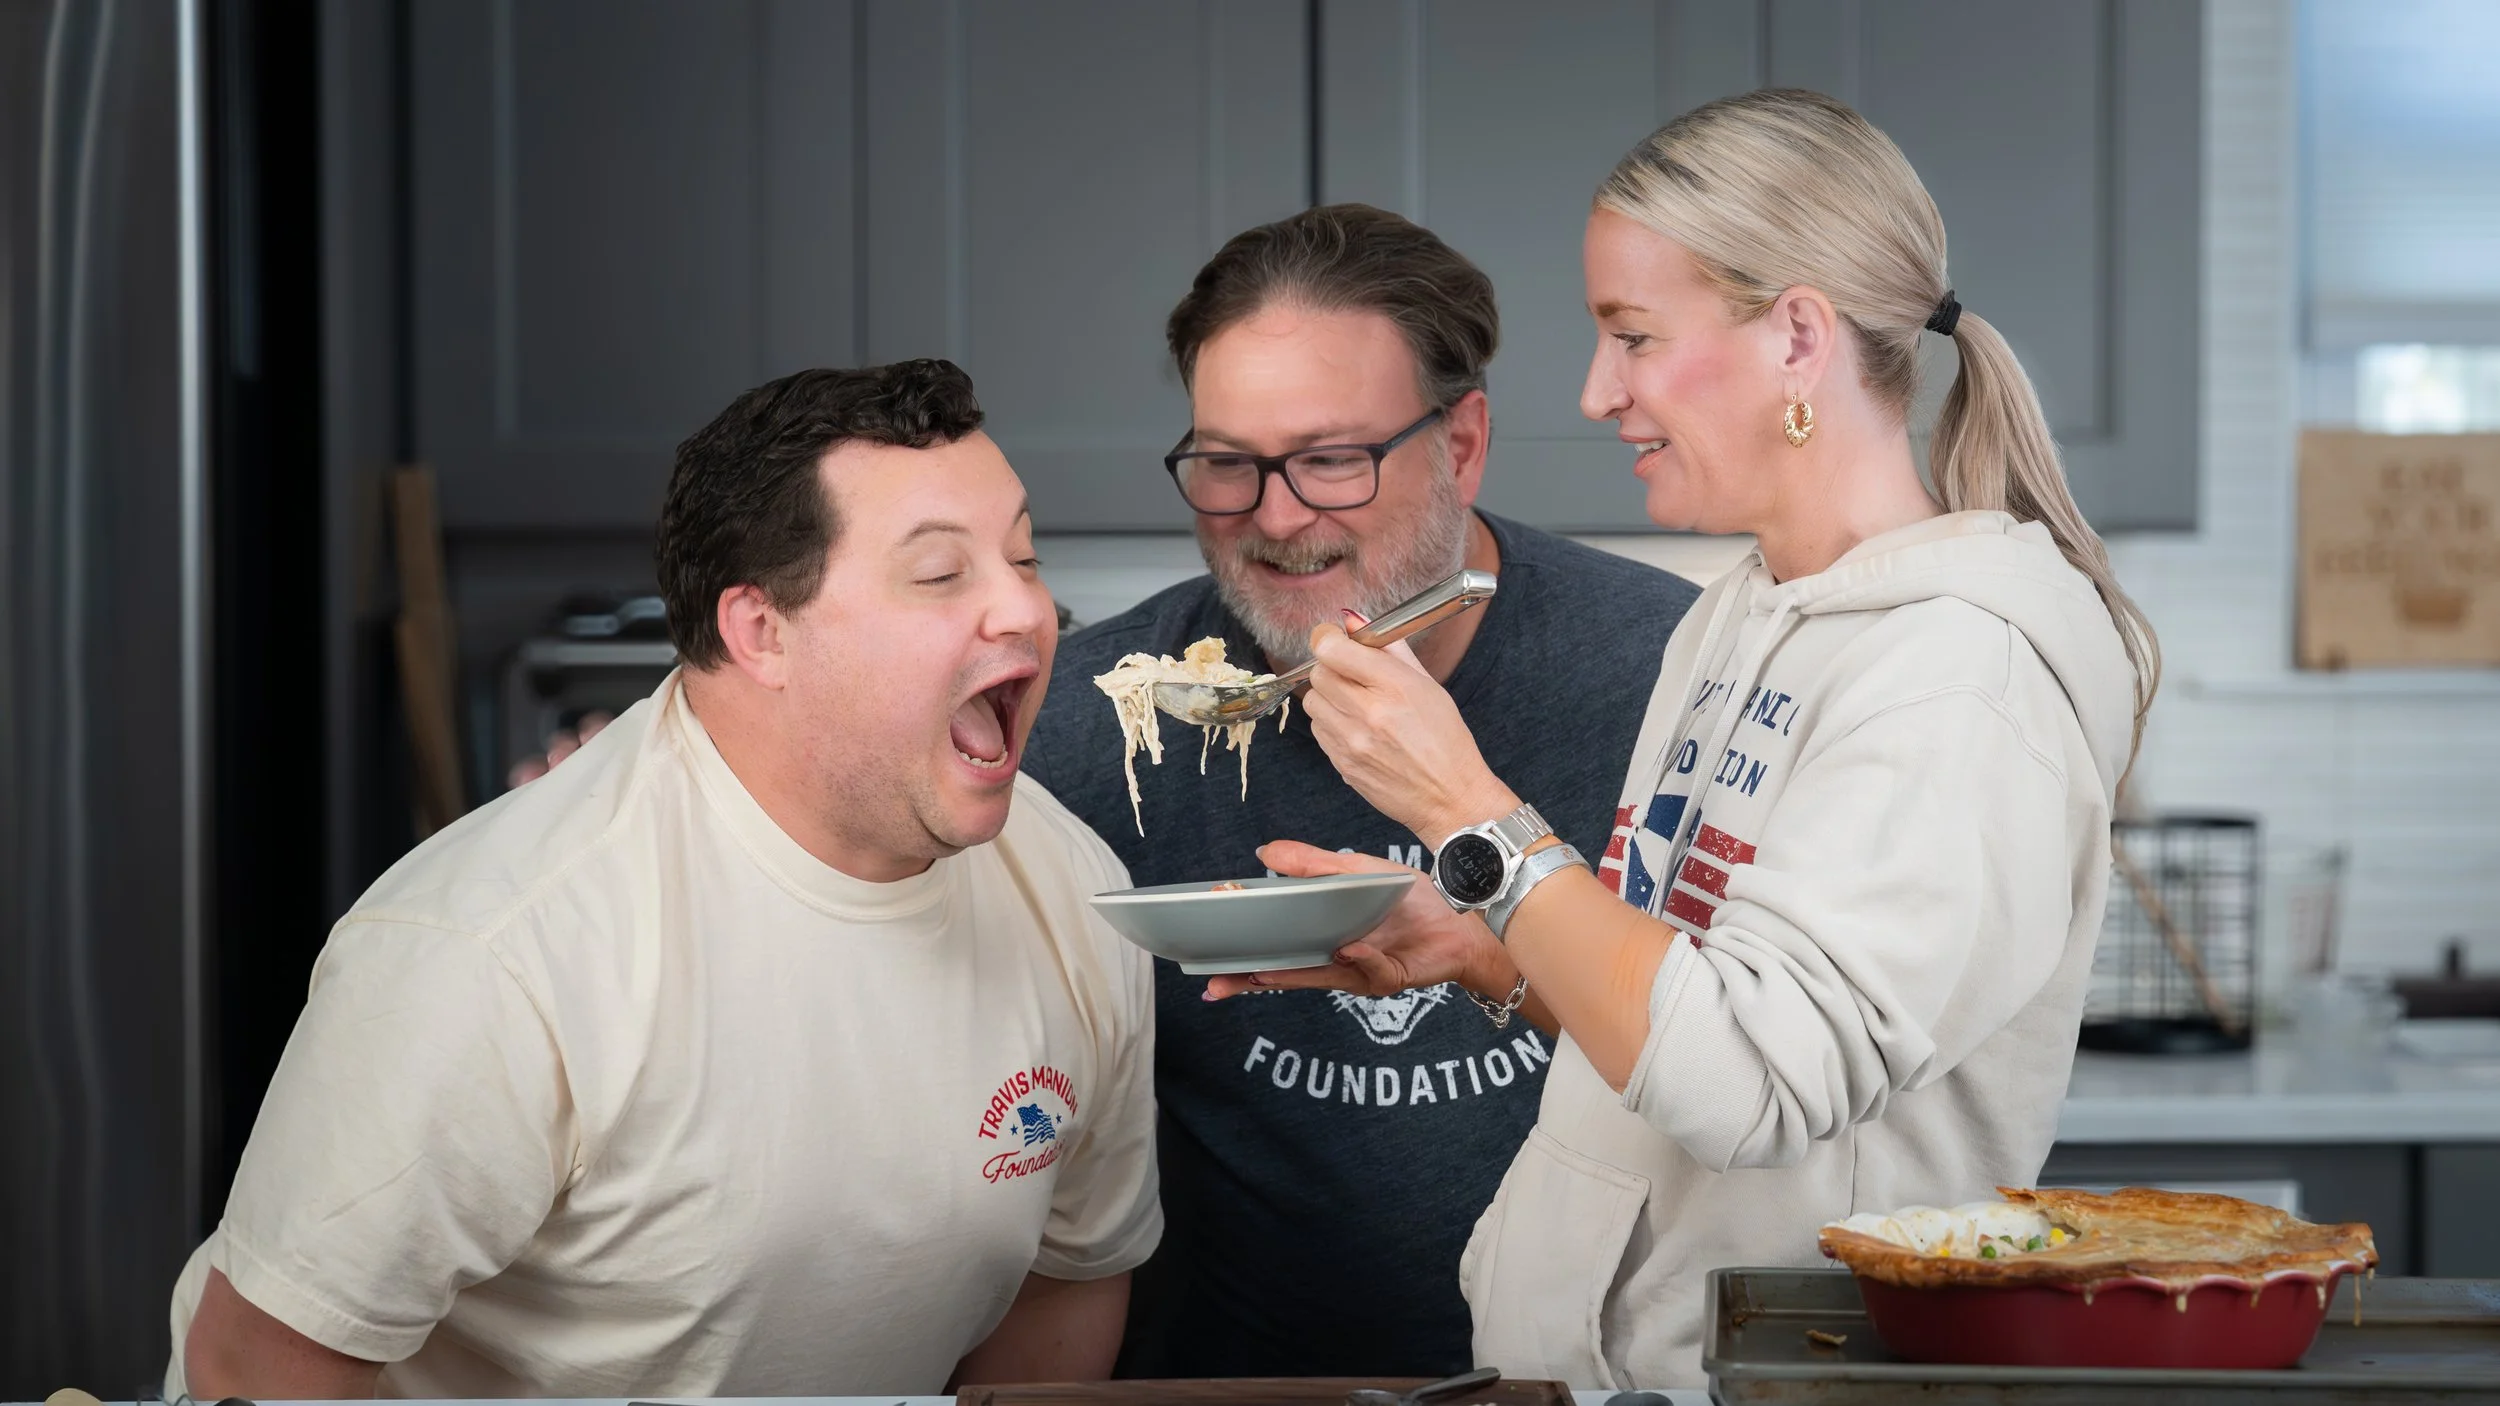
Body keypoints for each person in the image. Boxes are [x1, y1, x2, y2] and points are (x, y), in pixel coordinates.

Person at [1212, 92, 2161, 1388]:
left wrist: (1467, 810)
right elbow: (1698, 1006)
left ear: (1798, 338)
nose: (1601, 393)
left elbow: (1754, 1081)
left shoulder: (1963, 677)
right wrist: (1490, 953)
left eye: (1635, 337)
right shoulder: (1742, 614)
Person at [168, 360, 1160, 1399]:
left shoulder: (1069, 887)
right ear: (761, 631)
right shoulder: (495, 951)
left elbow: (1067, 1280)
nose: (1027, 610)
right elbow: (260, 1363)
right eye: (942, 573)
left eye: (1023, 555)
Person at [1018, 205, 1700, 1378]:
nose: (1275, 518)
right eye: (1228, 462)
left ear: (1463, 442)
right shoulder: (1094, 715)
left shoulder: (1675, 673)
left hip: (1586, 1380)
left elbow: (1742, 1063)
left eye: (1333, 457)